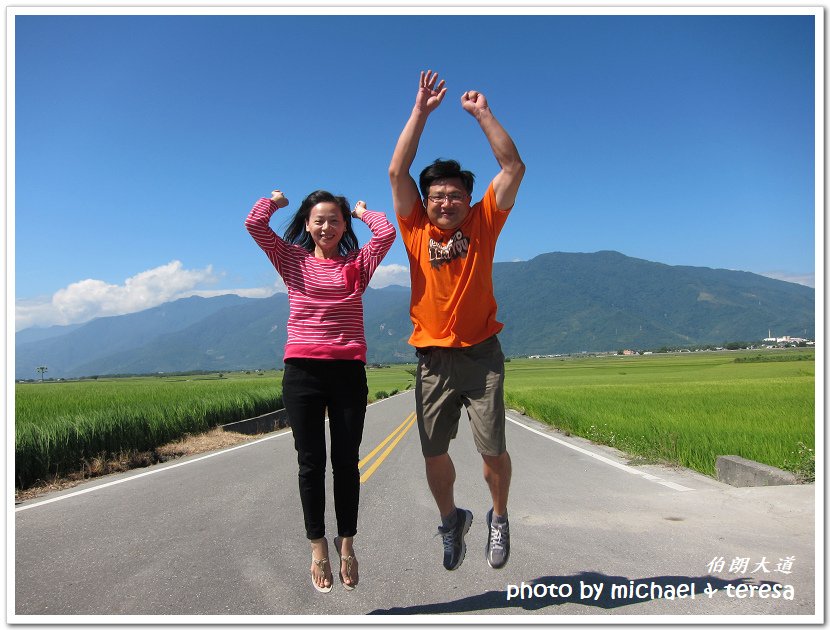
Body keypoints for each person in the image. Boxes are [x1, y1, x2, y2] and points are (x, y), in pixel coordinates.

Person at [388, 70, 525, 571]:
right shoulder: (415, 228)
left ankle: (500, 517)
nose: (446, 202)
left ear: (468, 199)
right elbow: (397, 173)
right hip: (431, 359)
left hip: (482, 356)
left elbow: (512, 166)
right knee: (433, 453)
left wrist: (483, 114)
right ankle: (452, 520)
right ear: (426, 202)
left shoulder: (485, 221)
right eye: (437, 196)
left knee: (492, 452)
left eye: (454, 195)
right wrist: (420, 111)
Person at [245, 188, 396, 592]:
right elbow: (255, 225)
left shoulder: (357, 265)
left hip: (347, 373)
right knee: (310, 463)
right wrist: (274, 202)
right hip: (302, 374)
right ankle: (318, 549)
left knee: (346, 462)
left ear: (344, 225)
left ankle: (347, 544)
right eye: (319, 220)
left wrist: (364, 212)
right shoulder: (291, 261)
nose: (326, 226)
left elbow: (385, 235)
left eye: (335, 219)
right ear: (308, 225)